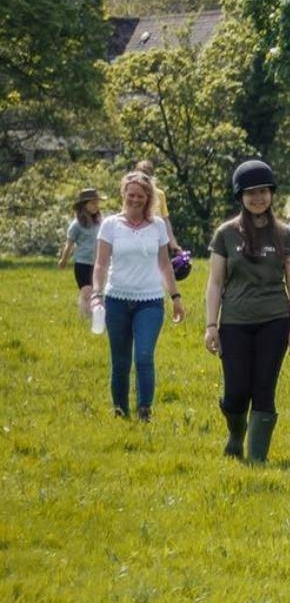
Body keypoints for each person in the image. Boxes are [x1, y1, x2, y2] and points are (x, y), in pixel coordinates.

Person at [204, 160, 290, 463]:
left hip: (274, 321)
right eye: (250, 193)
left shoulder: (285, 234)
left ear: (272, 194)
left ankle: (257, 459)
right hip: (234, 322)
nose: (258, 198)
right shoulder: (226, 234)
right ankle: (236, 435)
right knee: (235, 392)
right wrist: (211, 325)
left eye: (263, 191)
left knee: (264, 388)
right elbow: (215, 281)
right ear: (240, 196)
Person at [91, 172, 185, 420]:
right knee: (120, 362)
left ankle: (145, 409)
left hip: (150, 301)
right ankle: (120, 410)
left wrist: (175, 297)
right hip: (117, 300)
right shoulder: (110, 224)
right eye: (130, 195)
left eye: (140, 196)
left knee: (144, 355)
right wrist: (96, 294)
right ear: (123, 194)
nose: (135, 200)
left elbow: (164, 264)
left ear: (148, 199)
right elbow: (100, 264)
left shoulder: (157, 226)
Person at [59, 187, 102, 319]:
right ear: (84, 206)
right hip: (82, 263)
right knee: (86, 291)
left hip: (98, 263)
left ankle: (97, 316)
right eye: (92, 203)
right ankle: (85, 318)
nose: (96, 206)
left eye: (97, 203)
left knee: (97, 291)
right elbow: (69, 244)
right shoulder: (76, 225)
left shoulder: (100, 222)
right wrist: (64, 260)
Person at [134, 159, 183, 257]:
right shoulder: (133, 195)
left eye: (146, 175)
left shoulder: (159, 194)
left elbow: (165, 220)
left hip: (156, 238)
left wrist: (173, 243)